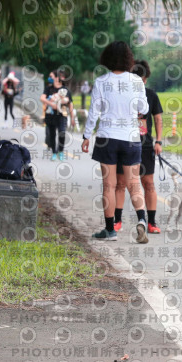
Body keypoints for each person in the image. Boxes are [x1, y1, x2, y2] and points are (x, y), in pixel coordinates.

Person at [81, 41, 149, 244]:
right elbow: (143, 109)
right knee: (133, 183)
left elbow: (94, 112)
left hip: (107, 138)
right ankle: (142, 220)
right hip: (130, 138)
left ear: (107, 58)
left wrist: (86, 136)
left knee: (108, 185)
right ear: (129, 59)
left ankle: (110, 230)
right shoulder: (136, 81)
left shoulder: (102, 82)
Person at [113, 60, 163, 234]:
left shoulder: (151, 95)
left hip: (146, 145)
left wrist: (159, 141)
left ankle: (152, 222)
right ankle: (117, 221)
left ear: (145, 80)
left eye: (140, 80)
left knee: (148, 183)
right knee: (120, 183)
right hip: (124, 143)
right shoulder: (122, 95)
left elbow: (157, 119)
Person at [40, 70, 76, 160]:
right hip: (50, 115)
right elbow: (42, 98)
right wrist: (51, 103)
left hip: (62, 115)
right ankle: (54, 152)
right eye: (58, 76)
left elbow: (70, 103)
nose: (59, 79)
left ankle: (60, 151)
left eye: (62, 77)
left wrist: (72, 118)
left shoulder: (65, 90)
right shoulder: (49, 88)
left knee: (62, 132)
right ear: (56, 78)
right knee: (52, 134)